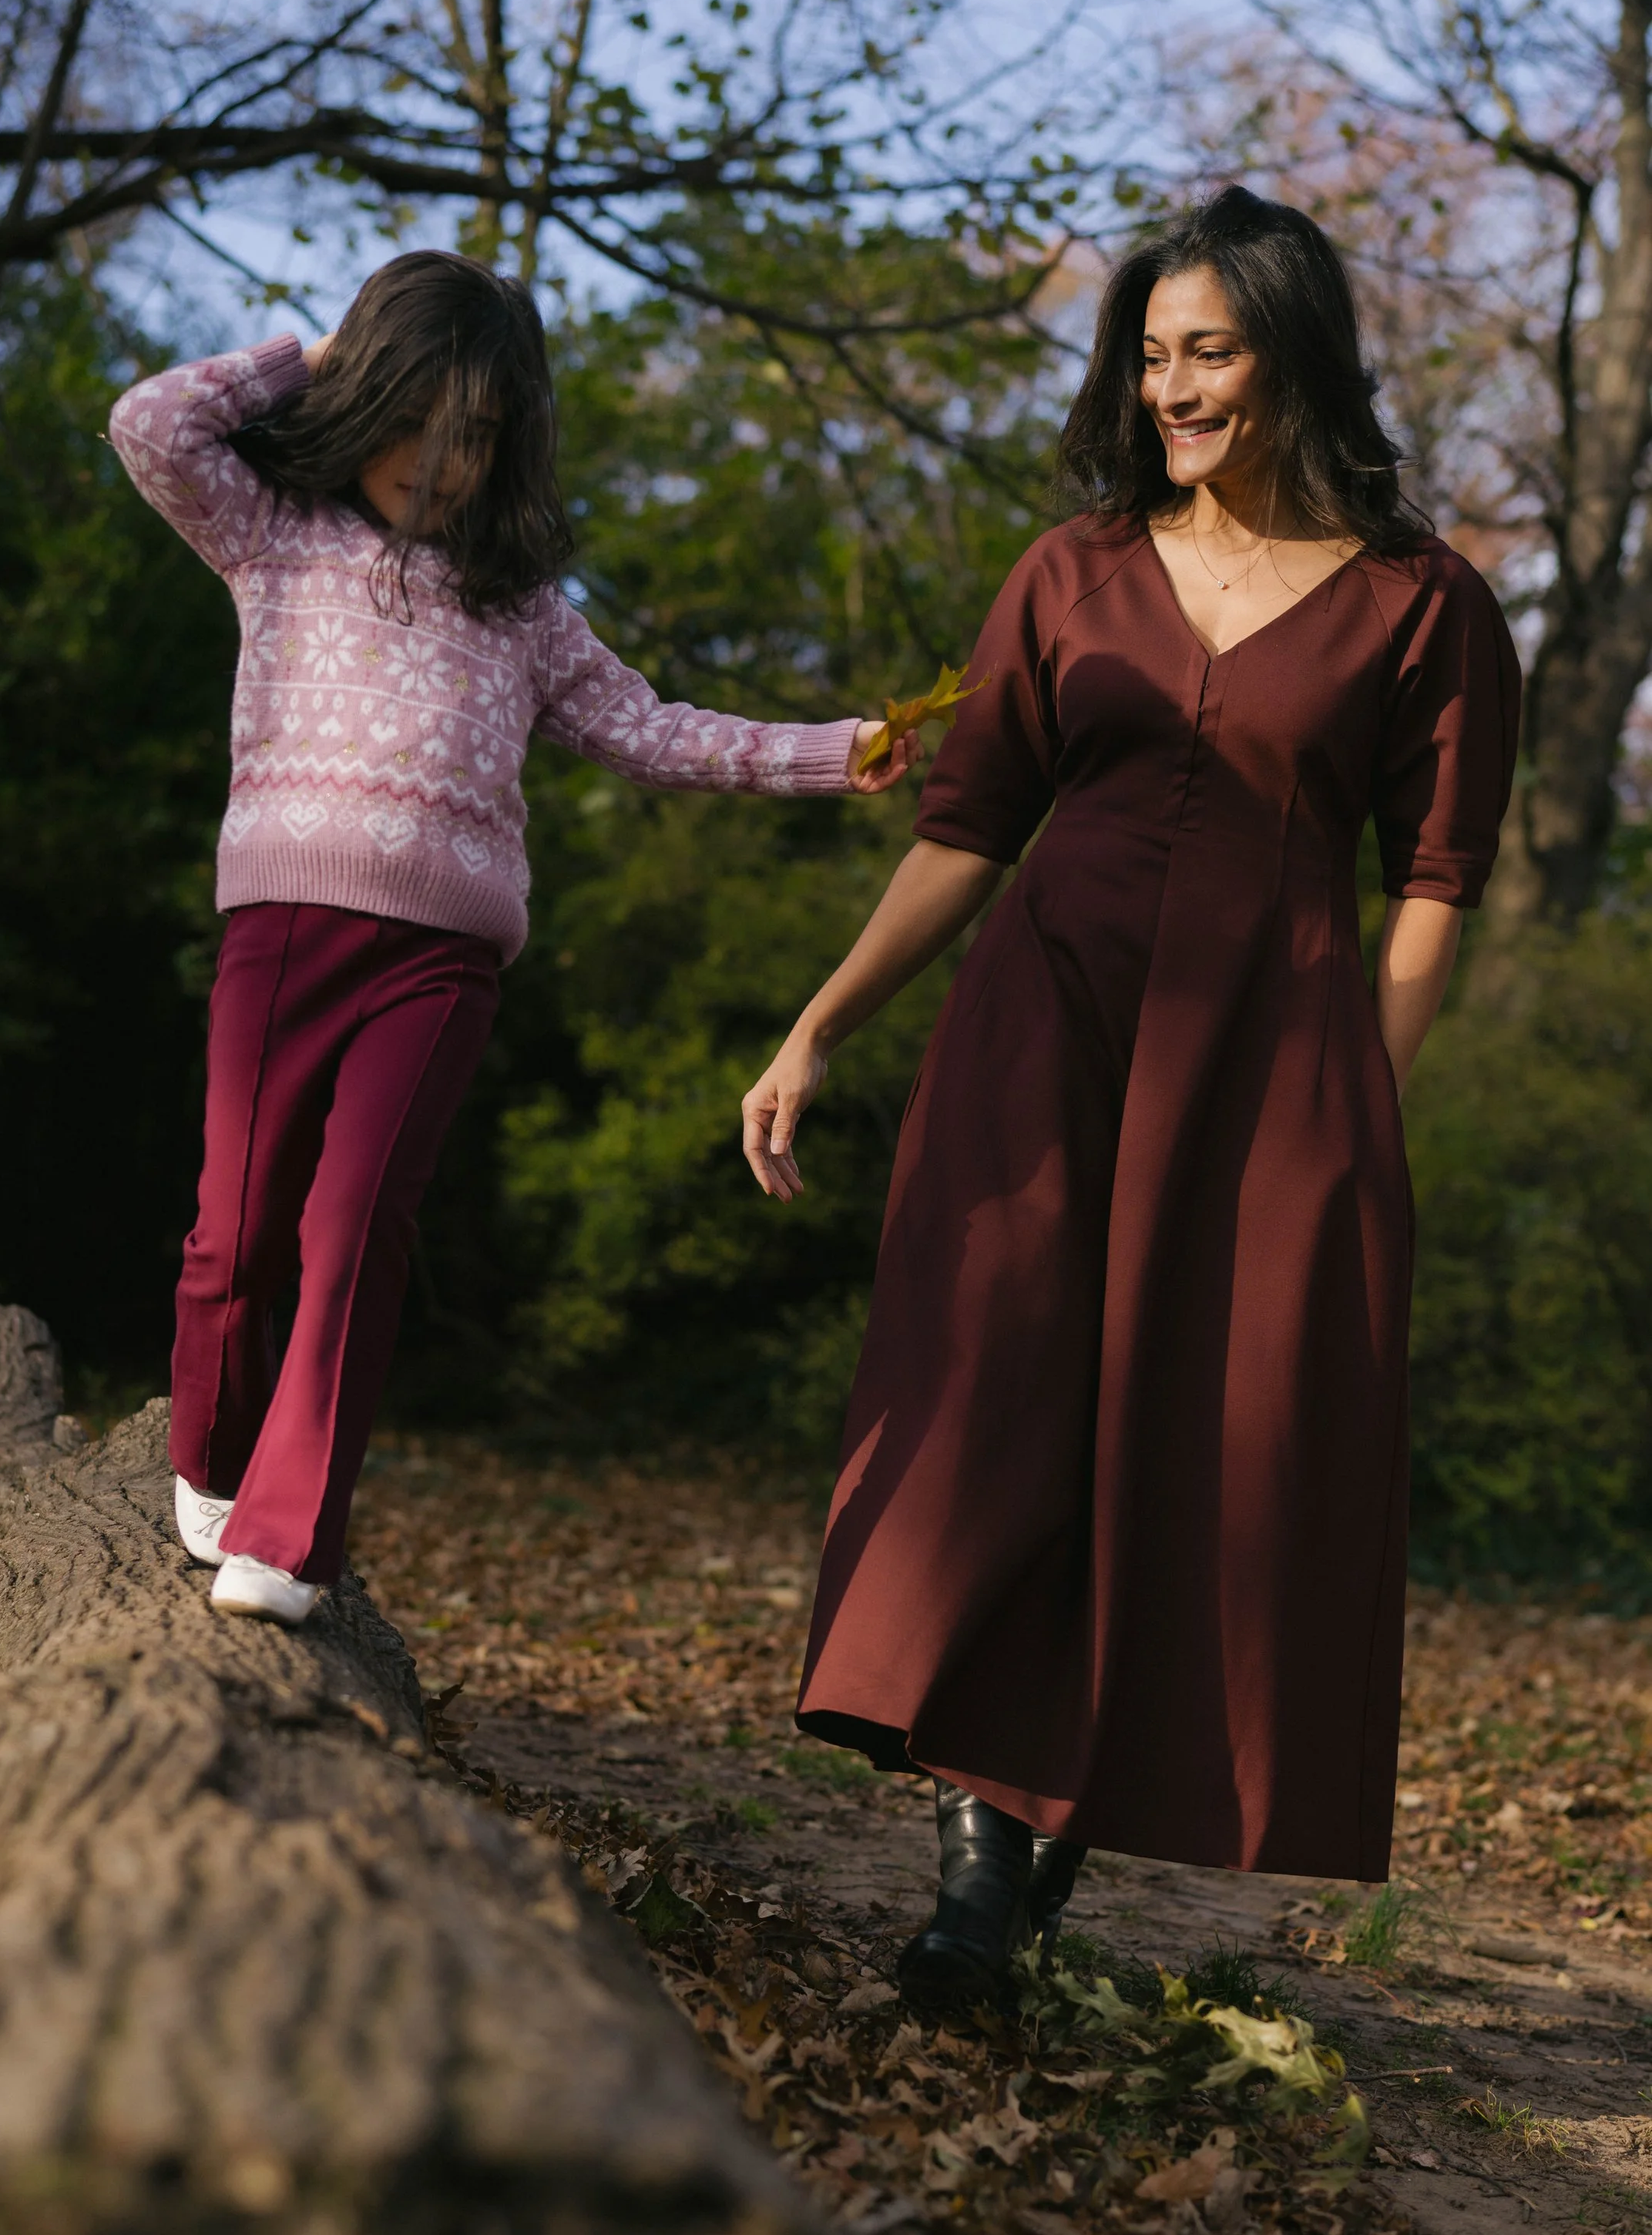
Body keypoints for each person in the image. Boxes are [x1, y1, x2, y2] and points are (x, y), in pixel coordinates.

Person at [739, 186, 1521, 2015]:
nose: (1169, 386)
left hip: (1269, 1083)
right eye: (1150, 353)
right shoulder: (1069, 570)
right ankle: (975, 1863)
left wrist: (1355, 1108)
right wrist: (821, 1026)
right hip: (1039, 1044)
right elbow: (963, 830)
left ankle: (1007, 1888)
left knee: (1194, 1457)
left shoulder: (1425, 606)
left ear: (1294, 355)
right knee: (991, 1404)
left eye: (1209, 351)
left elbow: (1434, 882)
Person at [111, 250, 918, 1626]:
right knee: (237, 1229)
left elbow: (655, 730)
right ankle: (211, 1451)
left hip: (442, 959)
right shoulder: (274, 535)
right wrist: (303, 358)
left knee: (358, 1228)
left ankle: (290, 1534)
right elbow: (150, 426)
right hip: (286, 925)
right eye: (416, 416)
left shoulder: (526, 613)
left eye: (476, 435)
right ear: (371, 399)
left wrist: (834, 755)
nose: (439, 460)